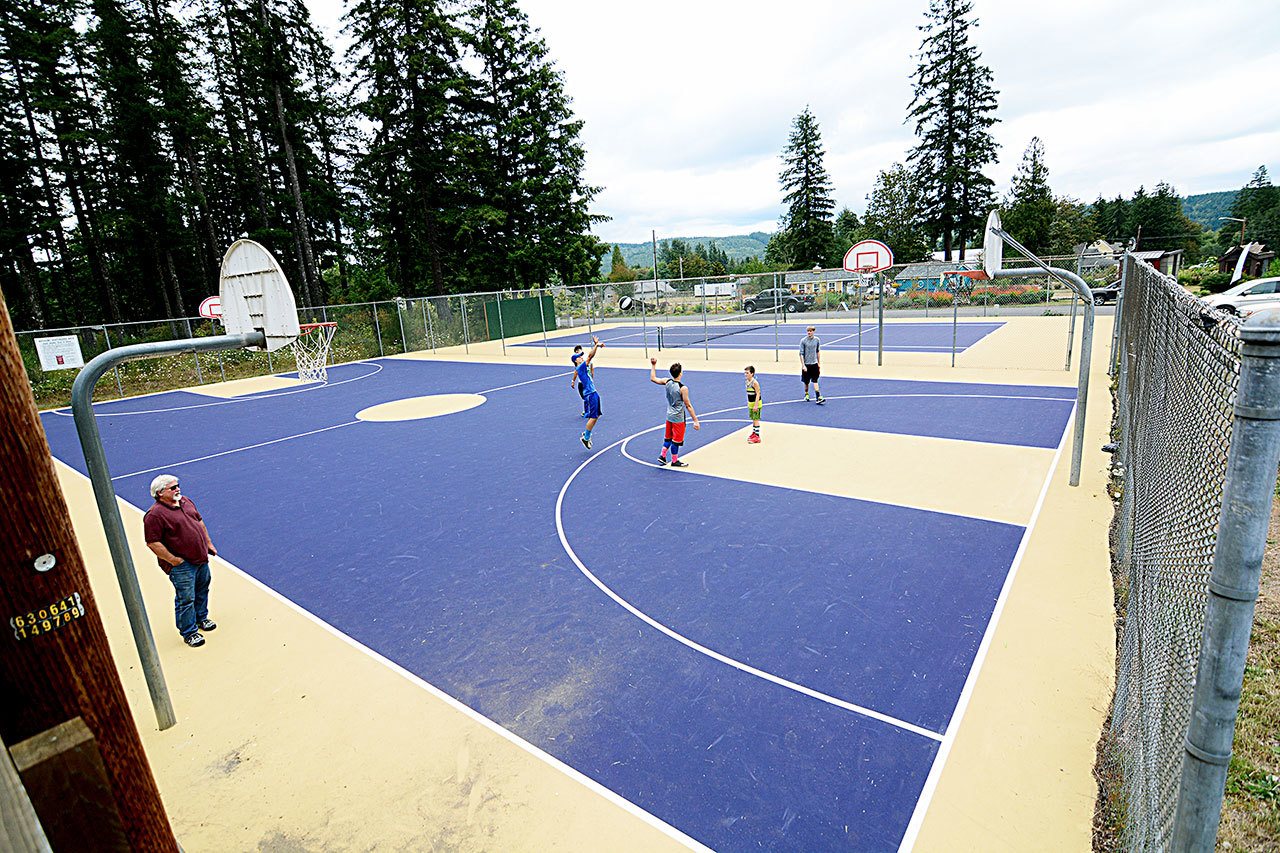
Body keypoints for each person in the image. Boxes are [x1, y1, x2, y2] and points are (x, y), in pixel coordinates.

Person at [143, 474, 218, 648]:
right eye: (173, 487)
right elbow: (152, 542)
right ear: (160, 493)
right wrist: (174, 560)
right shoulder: (154, 515)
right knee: (186, 598)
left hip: (201, 558)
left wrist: (208, 543)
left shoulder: (185, 501)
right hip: (183, 566)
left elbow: (199, 522)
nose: (178, 489)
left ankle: (201, 618)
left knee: (201, 590)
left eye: (177, 486)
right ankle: (189, 632)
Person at [649, 358, 700, 467]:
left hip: (669, 416)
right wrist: (695, 420)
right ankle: (674, 460)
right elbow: (688, 405)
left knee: (668, 438)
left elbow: (653, 378)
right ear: (680, 373)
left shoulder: (667, 382)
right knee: (676, 441)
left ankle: (662, 456)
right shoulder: (683, 388)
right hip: (678, 418)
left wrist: (653, 365)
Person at [573, 336, 604, 448]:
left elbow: (590, 357)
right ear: (576, 361)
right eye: (579, 357)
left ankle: (586, 435)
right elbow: (590, 356)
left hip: (593, 392)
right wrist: (596, 344)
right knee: (593, 416)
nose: (581, 357)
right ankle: (586, 437)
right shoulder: (580, 367)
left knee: (597, 415)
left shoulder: (582, 367)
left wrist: (596, 345)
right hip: (590, 394)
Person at [799, 326, 825, 404]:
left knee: (815, 380)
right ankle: (806, 394)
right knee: (806, 382)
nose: (809, 332)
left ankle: (818, 397)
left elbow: (817, 351)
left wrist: (819, 363)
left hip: (814, 364)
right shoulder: (803, 341)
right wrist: (803, 365)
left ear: (813, 331)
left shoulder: (817, 340)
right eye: (808, 331)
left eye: (810, 331)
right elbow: (801, 354)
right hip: (807, 365)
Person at [570, 344, 595, 419]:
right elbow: (576, 372)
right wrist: (573, 381)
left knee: (587, 397)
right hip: (581, 384)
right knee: (585, 398)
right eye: (577, 352)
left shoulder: (585, 361)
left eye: (579, 351)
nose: (578, 353)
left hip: (586, 383)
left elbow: (592, 368)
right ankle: (588, 411)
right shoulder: (578, 363)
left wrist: (591, 379)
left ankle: (588, 411)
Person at [744, 365, 762, 443]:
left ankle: (757, 436)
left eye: (747, 373)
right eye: (745, 373)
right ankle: (754, 433)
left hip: (755, 404)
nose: (745, 374)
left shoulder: (755, 383)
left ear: (752, 373)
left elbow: (758, 393)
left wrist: (756, 405)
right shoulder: (747, 382)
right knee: (753, 419)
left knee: (756, 419)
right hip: (751, 403)